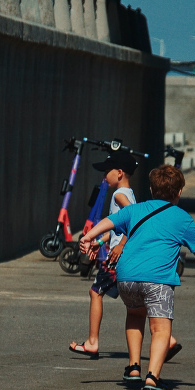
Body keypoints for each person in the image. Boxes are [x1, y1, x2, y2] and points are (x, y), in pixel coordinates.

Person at [79, 165, 195, 390]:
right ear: (179, 192)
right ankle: (152, 377)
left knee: (135, 314)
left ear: (151, 189)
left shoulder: (136, 209)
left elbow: (110, 221)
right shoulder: (182, 217)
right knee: (160, 329)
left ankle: (133, 368)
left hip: (126, 278)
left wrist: (88, 237)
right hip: (157, 280)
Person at [68, 151, 181, 361]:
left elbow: (135, 220)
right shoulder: (129, 194)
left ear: (119, 173)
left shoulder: (119, 195)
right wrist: (99, 242)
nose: (104, 176)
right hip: (123, 255)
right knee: (138, 302)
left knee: (96, 292)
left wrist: (120, 245)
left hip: (118, 258)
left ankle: (92, 342)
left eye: (106, 171)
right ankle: (168, 340)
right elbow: (117, 226)